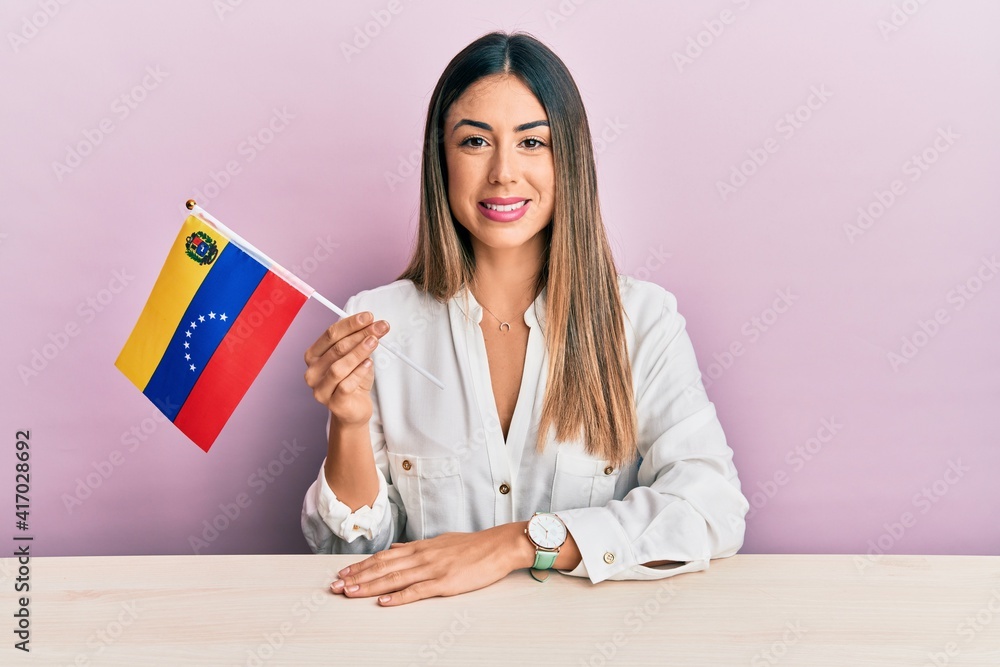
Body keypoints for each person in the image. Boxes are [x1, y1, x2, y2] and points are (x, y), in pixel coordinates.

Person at [301, 31, 749, 607]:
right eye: (475, 142)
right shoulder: (378, 321)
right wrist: (349, 424)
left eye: (532, 142)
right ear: (442, 160)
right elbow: (349, 564)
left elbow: (710, 507)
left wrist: (516, 544)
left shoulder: (641, 320)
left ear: (571, 159)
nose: (504, 173)